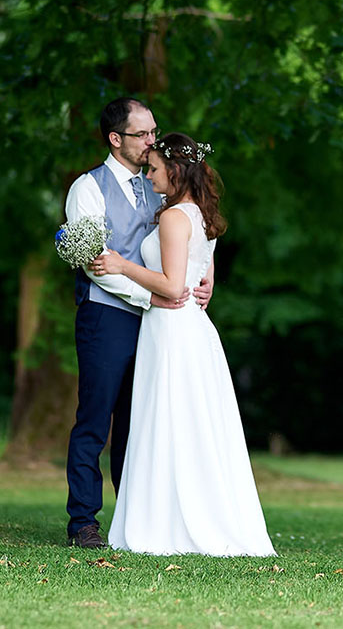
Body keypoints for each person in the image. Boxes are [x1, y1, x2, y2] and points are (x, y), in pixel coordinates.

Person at [90, 133, 275, 557]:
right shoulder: (202, 214)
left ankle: (167, 523)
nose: (148, 174)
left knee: (169, 419)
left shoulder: (175, 217)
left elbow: (174, 287)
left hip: (172, 328)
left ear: (174, 170)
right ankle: (183, 516)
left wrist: (122, 264)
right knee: (187, 424)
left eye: (153, 168)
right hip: (192, 328)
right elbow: (198, 274)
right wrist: (205, 283)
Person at [63, 98, 213, 549]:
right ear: (116, 139)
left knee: (140, 424)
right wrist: (155, 292)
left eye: (154, 132)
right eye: (143, 134)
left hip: (156, 325)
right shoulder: (86, 188)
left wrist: (203, 279)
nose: (153, 141)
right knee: (95, 421)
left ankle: (136, 523)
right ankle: (83, 523)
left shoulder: (162, 182)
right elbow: (95, 264)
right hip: (106, 317)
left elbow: (196, 228)